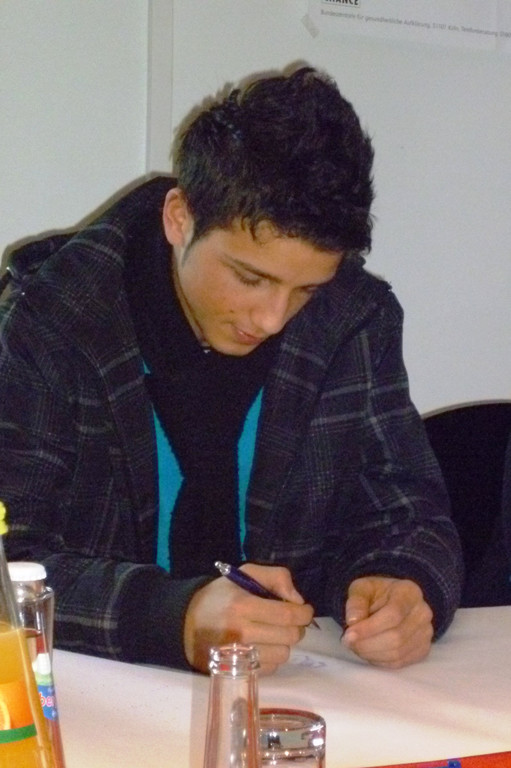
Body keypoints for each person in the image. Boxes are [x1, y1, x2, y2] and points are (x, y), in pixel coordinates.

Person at [0, 66, 463, 675]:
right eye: (250, 278)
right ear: (179, 219)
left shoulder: (353, 320)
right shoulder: (53, 320)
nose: (272, 318)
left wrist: (405, 583)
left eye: (306, 289)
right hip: (88, 700)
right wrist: (174, 617)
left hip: (301, 693)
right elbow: (9, 559)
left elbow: (408, 513)